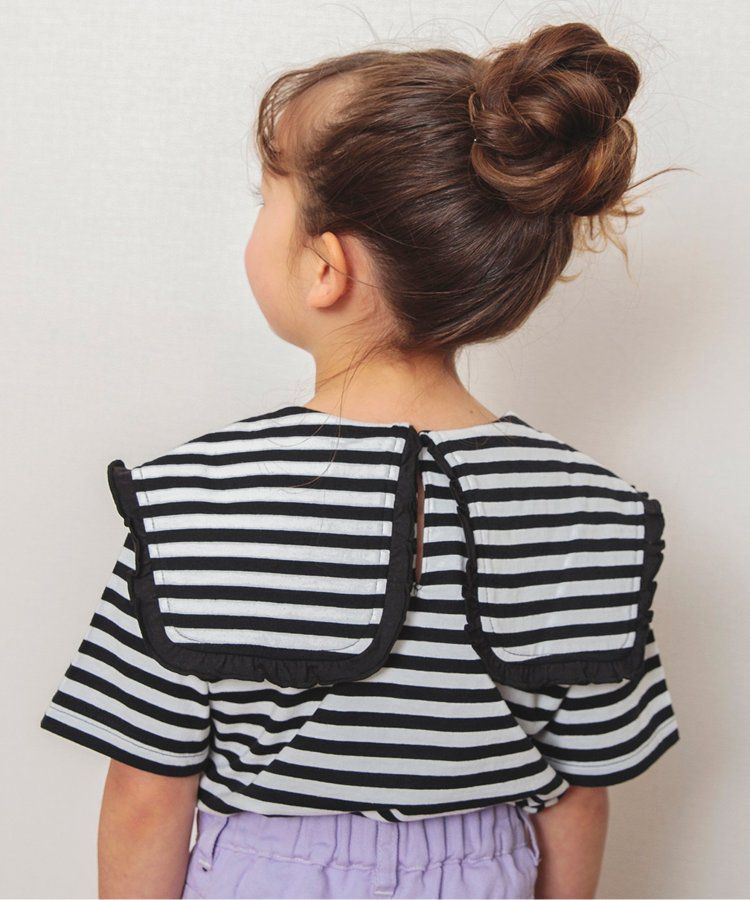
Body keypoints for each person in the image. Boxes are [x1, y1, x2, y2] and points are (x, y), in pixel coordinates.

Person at [40, 21, 682, 900]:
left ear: (325, 267)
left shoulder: (195, 501)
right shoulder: (592, 513)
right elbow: (579, 790)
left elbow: (147, 791)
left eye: (267, 197)